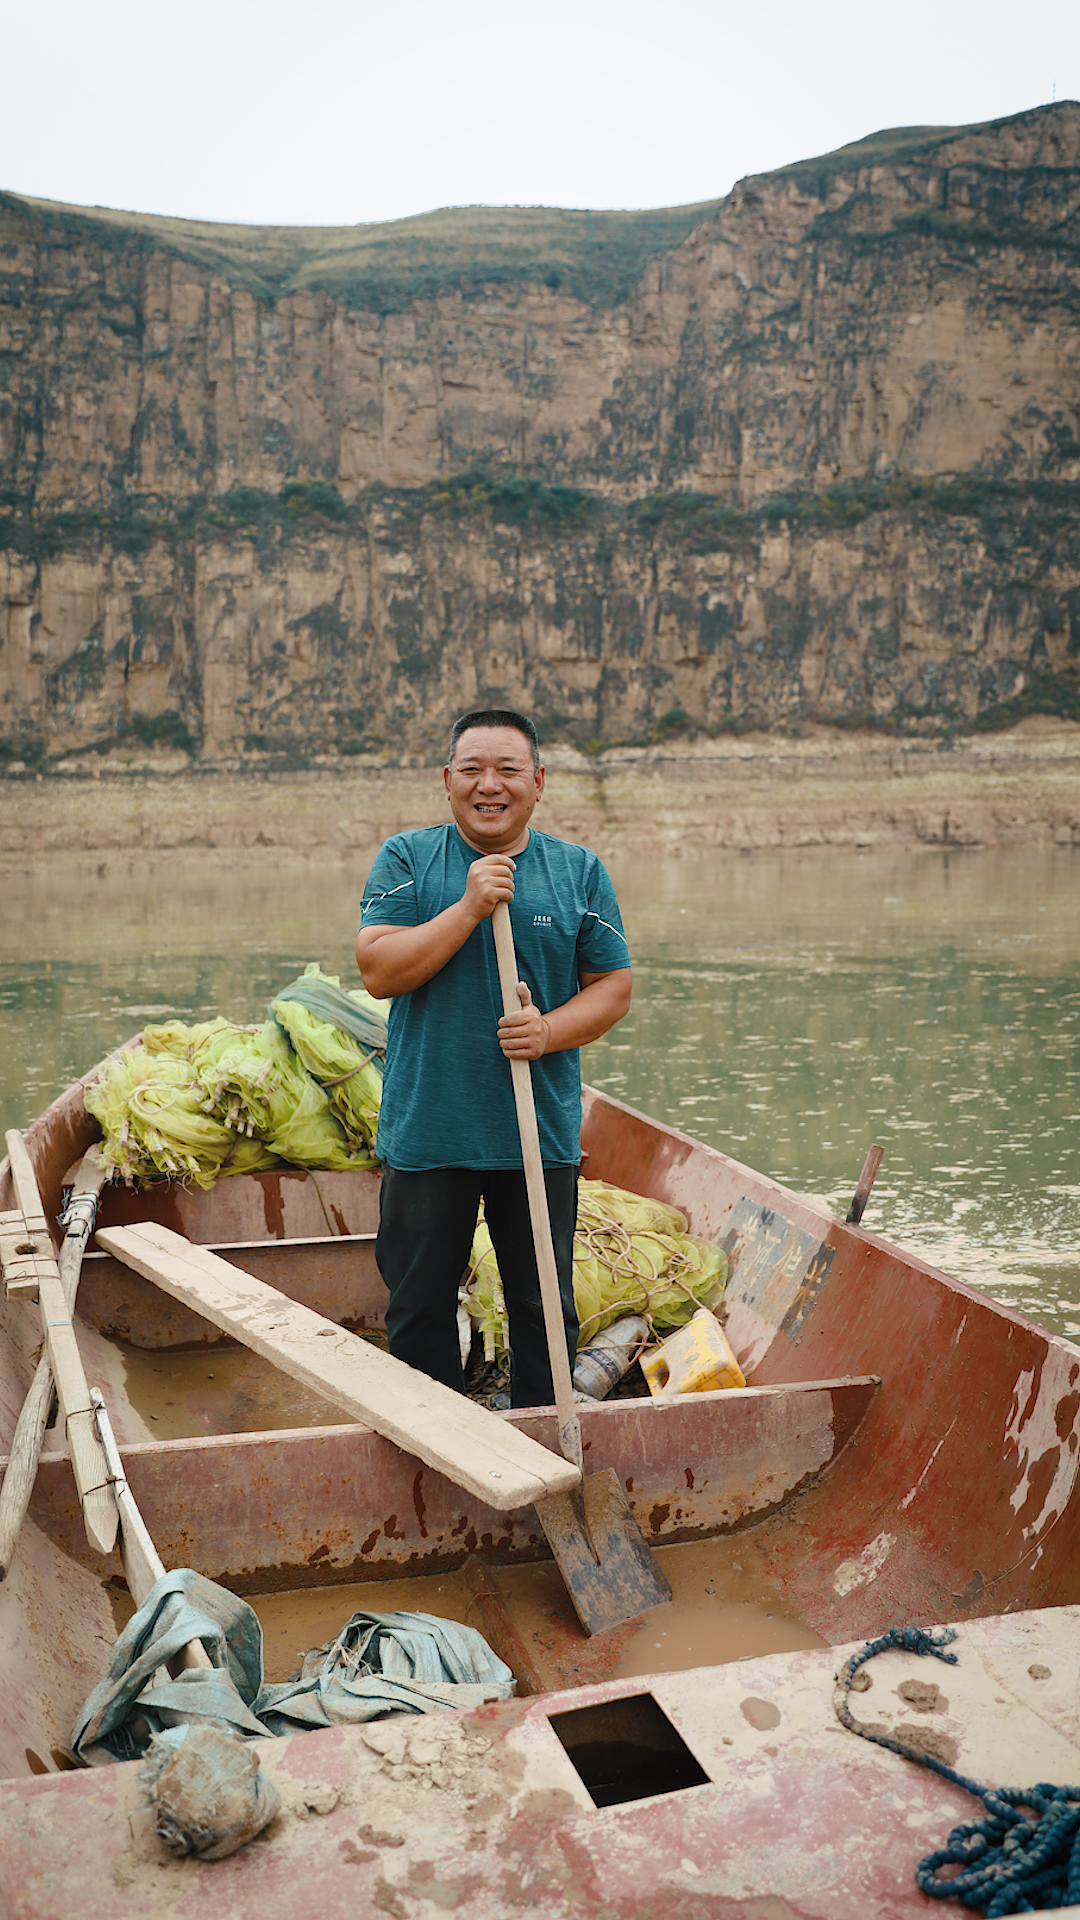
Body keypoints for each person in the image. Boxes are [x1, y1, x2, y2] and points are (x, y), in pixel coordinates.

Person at [355, 707, 632, 1406]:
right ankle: (436, 1447)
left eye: (508, 770)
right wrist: (470, 908)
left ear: (538, 782)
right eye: (473, 770)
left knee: (545, 1311)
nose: (490, 785)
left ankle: (546, 1445)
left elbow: (613, 989)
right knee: (418, 1312)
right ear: (447, 781)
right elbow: (380, 970)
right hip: (430, 1132)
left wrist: (548, 1033)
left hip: (535, 1135)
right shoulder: (409, 859)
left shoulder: (578, 872)